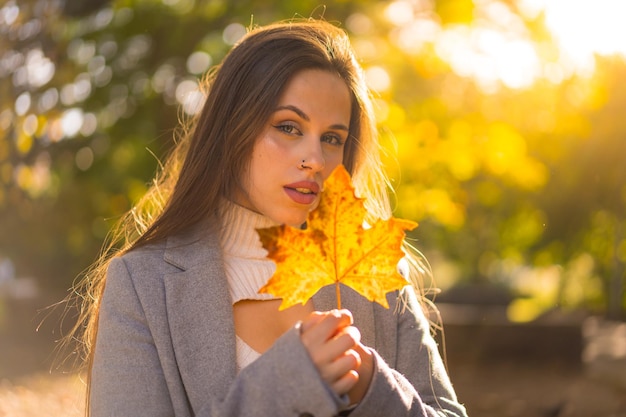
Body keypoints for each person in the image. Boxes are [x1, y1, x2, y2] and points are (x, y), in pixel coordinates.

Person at [70, 18, 468, 417]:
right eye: (289, 127)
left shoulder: (378, 273)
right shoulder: (143, 286)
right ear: (232, 130)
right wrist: (281, 386)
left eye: (332, 138)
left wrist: (371, 387)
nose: (314, 159)